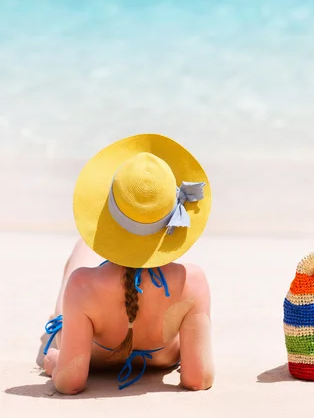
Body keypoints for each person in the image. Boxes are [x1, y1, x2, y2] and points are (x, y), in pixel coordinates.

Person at [42, 134, 214, 395]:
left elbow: (70, 382)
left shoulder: (82, 285)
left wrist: (55, 362)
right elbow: (198, 379)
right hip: (162, 358)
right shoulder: (193, 280)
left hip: (96, 356)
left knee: (83, 249)